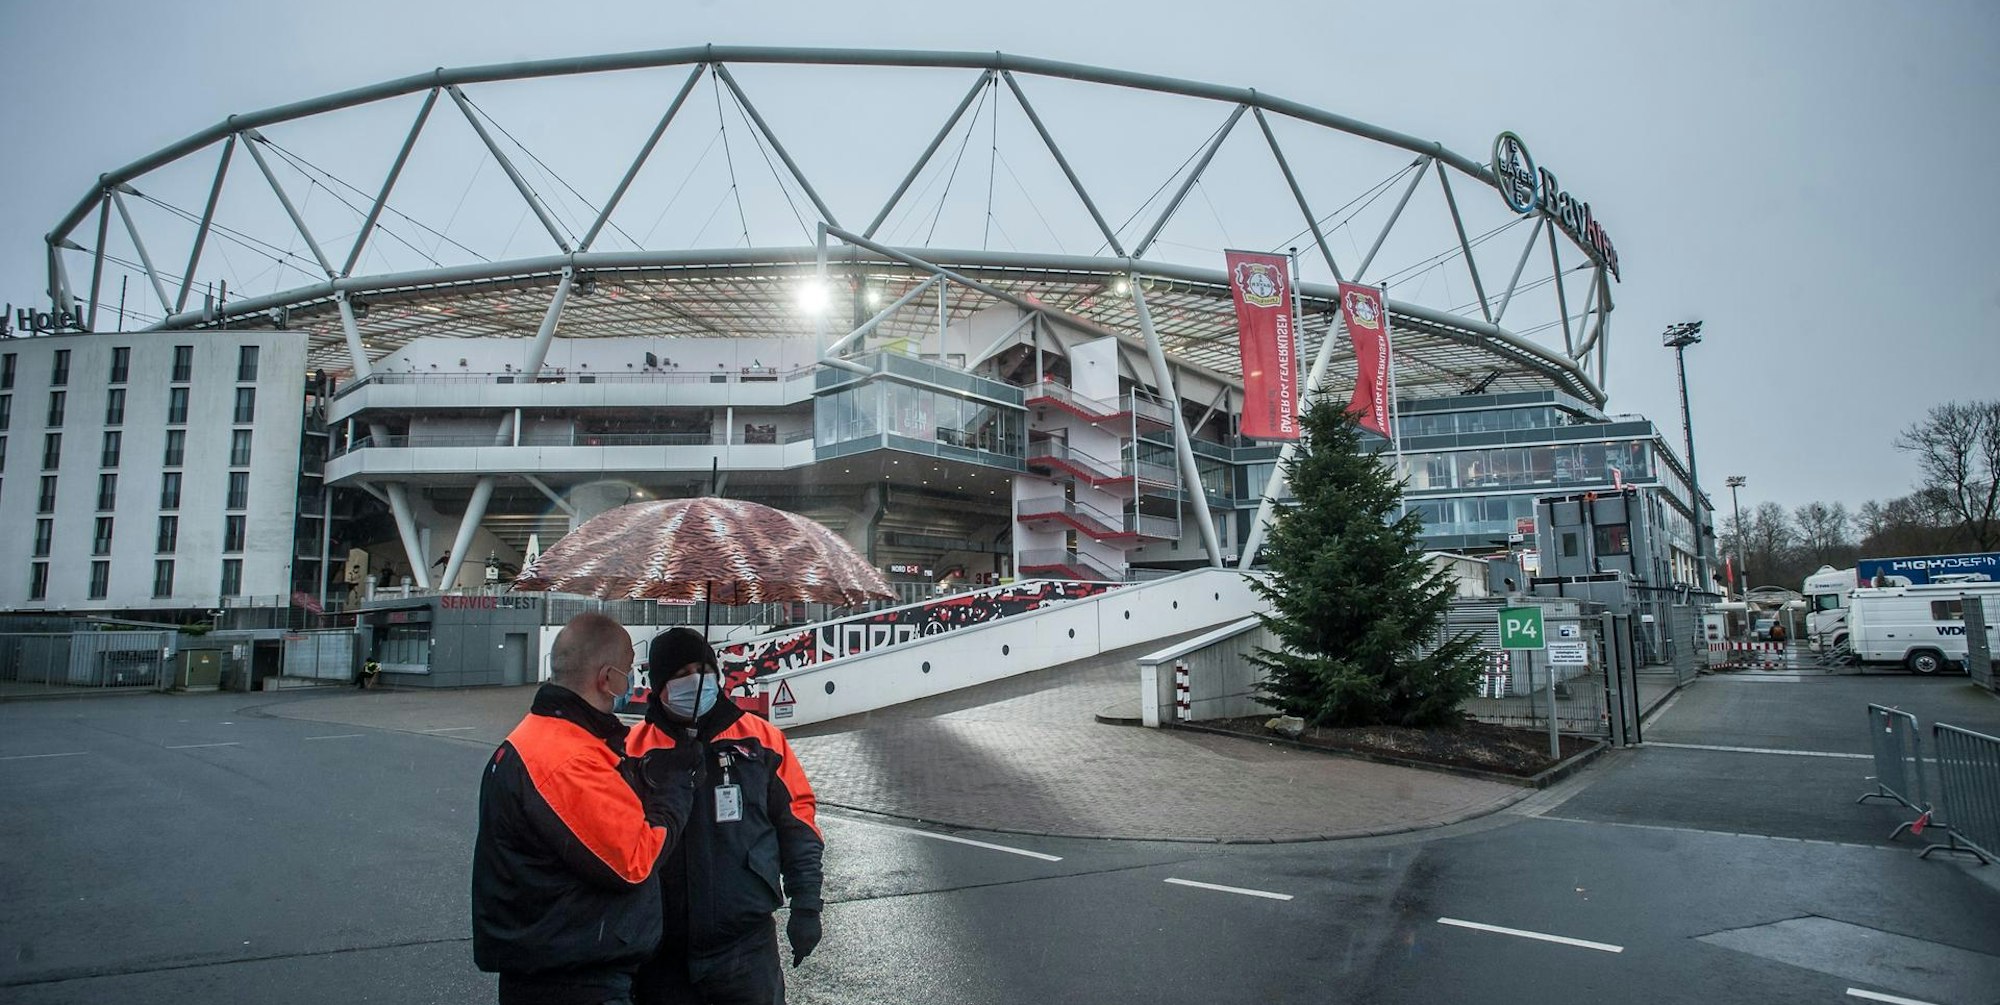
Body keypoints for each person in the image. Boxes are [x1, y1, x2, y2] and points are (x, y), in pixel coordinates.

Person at [473, 613, 704, 1005]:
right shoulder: (568, 761)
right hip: (574, 979)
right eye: (629, 670)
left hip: (552, 963)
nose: (631, 681)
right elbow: (634, 859)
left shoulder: (544, 737)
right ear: (608, 678)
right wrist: (674, 791)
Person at [628, 628, 825, 1005]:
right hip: (660, 954)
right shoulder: (634, 751)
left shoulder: (762, 741)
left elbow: (798, 825)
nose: (696, 680)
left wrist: (806, 905)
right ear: (658, 685)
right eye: (682, 672)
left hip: (745, 951)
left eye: (703, 667)